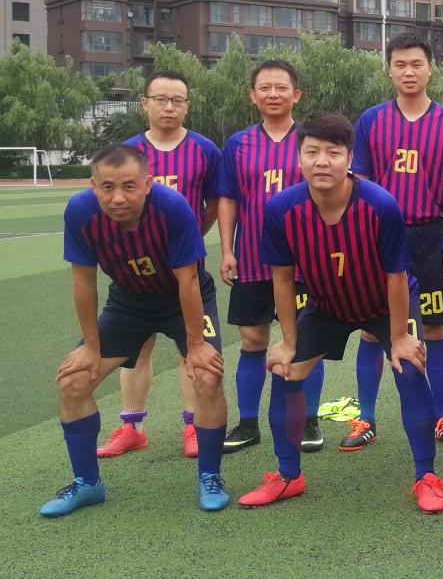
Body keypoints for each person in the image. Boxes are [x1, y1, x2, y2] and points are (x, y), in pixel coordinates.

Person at [237, 114, 443, 512]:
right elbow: (282, 279)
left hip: (384, 305)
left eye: (333, 153)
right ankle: (288, 475)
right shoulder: (281, 208)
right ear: (298, 157)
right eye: (312, 152)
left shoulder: (380, 204)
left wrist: (400, 337)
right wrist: (288, 341)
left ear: (349, 158)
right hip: (327, 306)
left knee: (409, 366)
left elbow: (396, 276)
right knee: (285, 370)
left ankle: (426, 475)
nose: (322, 161)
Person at [45, 144, 228, 516]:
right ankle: (87, 484)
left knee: (207, 377)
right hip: (128, 302)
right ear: (93, 186)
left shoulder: (172, 206)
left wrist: (195, 344)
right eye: (107, 187)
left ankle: (210, 475)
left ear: (147, 184)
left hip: (181, 298)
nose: (118, 198)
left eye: (129, 186)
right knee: (73, 381)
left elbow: (189, 279)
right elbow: (83, 280)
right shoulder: (80, 211)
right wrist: (91, 346)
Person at [351, 33, 443, 450]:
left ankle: (440, 415)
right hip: (380, 238)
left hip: (429, 236)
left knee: (434, 327)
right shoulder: (371, 121)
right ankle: (365, 418)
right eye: (400, 64)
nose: (408, 71)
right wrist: (361, 234)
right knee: (373, 330)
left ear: (430, 69)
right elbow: (360, 181)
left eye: (416, 63)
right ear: (389, 70)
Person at [98, 72, 222, 459]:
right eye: (161, 99)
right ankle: (131, 427)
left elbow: (214, 204)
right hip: (134, 276)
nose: (169, 107)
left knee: (193, 351)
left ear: (187, 105)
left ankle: (193, 425)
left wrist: (188, 240)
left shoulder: (205, 150)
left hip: (185, 274)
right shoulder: (126, 151)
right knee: (137, 350)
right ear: (144, 103)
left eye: (177, 100)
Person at [216, 60, 325, 454]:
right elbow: (228, 199)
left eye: (281, 88)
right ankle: (248, 424)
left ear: (296, 95)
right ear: (253, 96)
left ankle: (309, 420)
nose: (273, 94)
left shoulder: (311, 142)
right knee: (252, 339)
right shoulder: (238, 144)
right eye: (265, 88)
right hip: (252, 258)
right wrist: (227, 250)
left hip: (305, 262)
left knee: (307, 340)